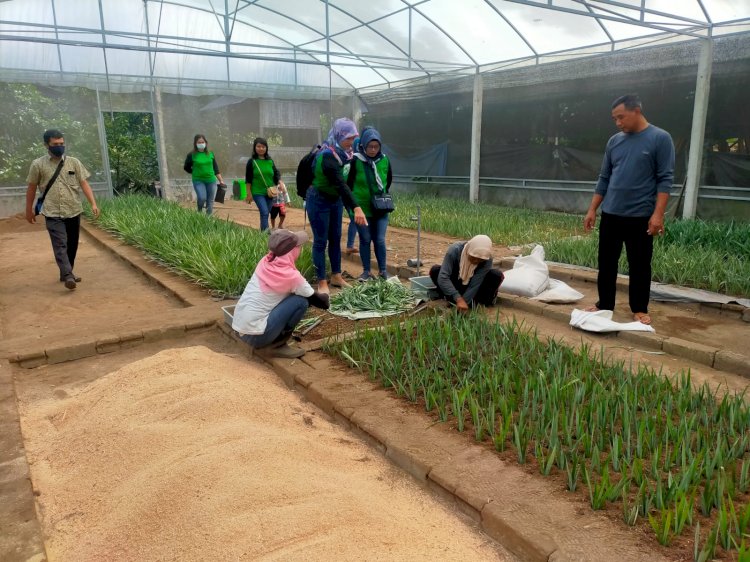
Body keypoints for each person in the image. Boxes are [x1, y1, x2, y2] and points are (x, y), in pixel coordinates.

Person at [583, 94, 674, 325]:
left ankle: (640, 308)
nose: (618, 123)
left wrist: (658, 215)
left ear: (637, 111)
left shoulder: (660, 138)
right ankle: (605, 303)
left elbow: (665, 180)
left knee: (640, 264)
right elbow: (604, 177)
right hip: (611, 214)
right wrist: (593, 209)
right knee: (606, 262)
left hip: (641, 216)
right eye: (615, 119)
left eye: (621, 117)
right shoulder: (614, 141)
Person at [232, 229, 330, 358]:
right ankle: (277, 345)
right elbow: (323, 303)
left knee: (296, 296)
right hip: (257, 337)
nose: (300, 249)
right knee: (301, 302)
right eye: (298, 247)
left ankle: (270, 340)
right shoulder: (292, 276)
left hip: (241, 330)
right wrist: (324, 294)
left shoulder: (265, 261)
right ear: (291, 251)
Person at [25, 128, 100, 290]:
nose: (59, 146)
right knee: (60, 244)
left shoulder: (74, 162)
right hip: (52, 212)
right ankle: (68, 275)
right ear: (46, 145)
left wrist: (93, 203)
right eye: (55, 144)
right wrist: (28, 209)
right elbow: (31, 188)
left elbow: (84, 183)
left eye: (61, 144)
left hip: (73, 209)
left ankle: (67, 271)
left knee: (72, 244)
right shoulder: (38, 164)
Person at [306, 118, 367, 293]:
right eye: (349, 137)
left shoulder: (346, 154)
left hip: (335, 201)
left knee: (335, 238)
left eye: (354, 137)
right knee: (320, 241)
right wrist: (356, 207)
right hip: (318, 200)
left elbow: (347, 182)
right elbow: (340, 183)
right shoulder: (327, 155)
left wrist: (353, 203)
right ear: (339, 135)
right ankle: (322, 281)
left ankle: (336, 276)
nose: (352, 141)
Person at [347, 126, 393, 281]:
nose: (373, 150)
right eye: (370, 146)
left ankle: (383, 271)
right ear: (363, 145)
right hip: (362, 209)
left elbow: (389, 180)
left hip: (380, 208)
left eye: (376, 146)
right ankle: (366, 271)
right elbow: (348, 183)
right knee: (365, 239)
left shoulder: (384, 160)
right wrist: (352, 206)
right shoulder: (355, 161)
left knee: (379, 239)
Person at [429, 235, 504, 312]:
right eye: (473, 257)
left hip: (472, 287)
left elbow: (475, 284)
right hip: (457, 282)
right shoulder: (455, 250)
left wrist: (464, 302)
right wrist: (458, 298)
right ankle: (450, 298)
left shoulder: (487, 259)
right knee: (435, 270)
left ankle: (481, 303)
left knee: (496, 275)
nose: (476, 261)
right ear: (469, 250)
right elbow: (443, 277)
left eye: (480, 260)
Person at [245, 137, 281, 232]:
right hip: (257, 191)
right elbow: (248, 179)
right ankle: (266, 233)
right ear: (254, 148)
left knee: (266, 213)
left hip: (270, 192)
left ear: (266, 148)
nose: (261, 149)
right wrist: (249, 194)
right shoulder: (251, 162)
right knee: (264, 212)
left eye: (263, 146)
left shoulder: (270, 161)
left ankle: (262, 233)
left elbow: (276, 173)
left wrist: (279, 182)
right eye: (258, 146)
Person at [183, 134, 224, 215]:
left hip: (211, 180)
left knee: (210, 200)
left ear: (206, 143)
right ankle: (199, 211)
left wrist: (221, 180)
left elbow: (215, 168)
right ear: (195, 143)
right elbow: (186, 167)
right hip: (198, 180)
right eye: (199, 142)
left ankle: (208, 219)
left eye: (203, 142)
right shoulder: (191, 155)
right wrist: (194, 172)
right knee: (202, 198)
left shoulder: (210, 154)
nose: (201, 143)